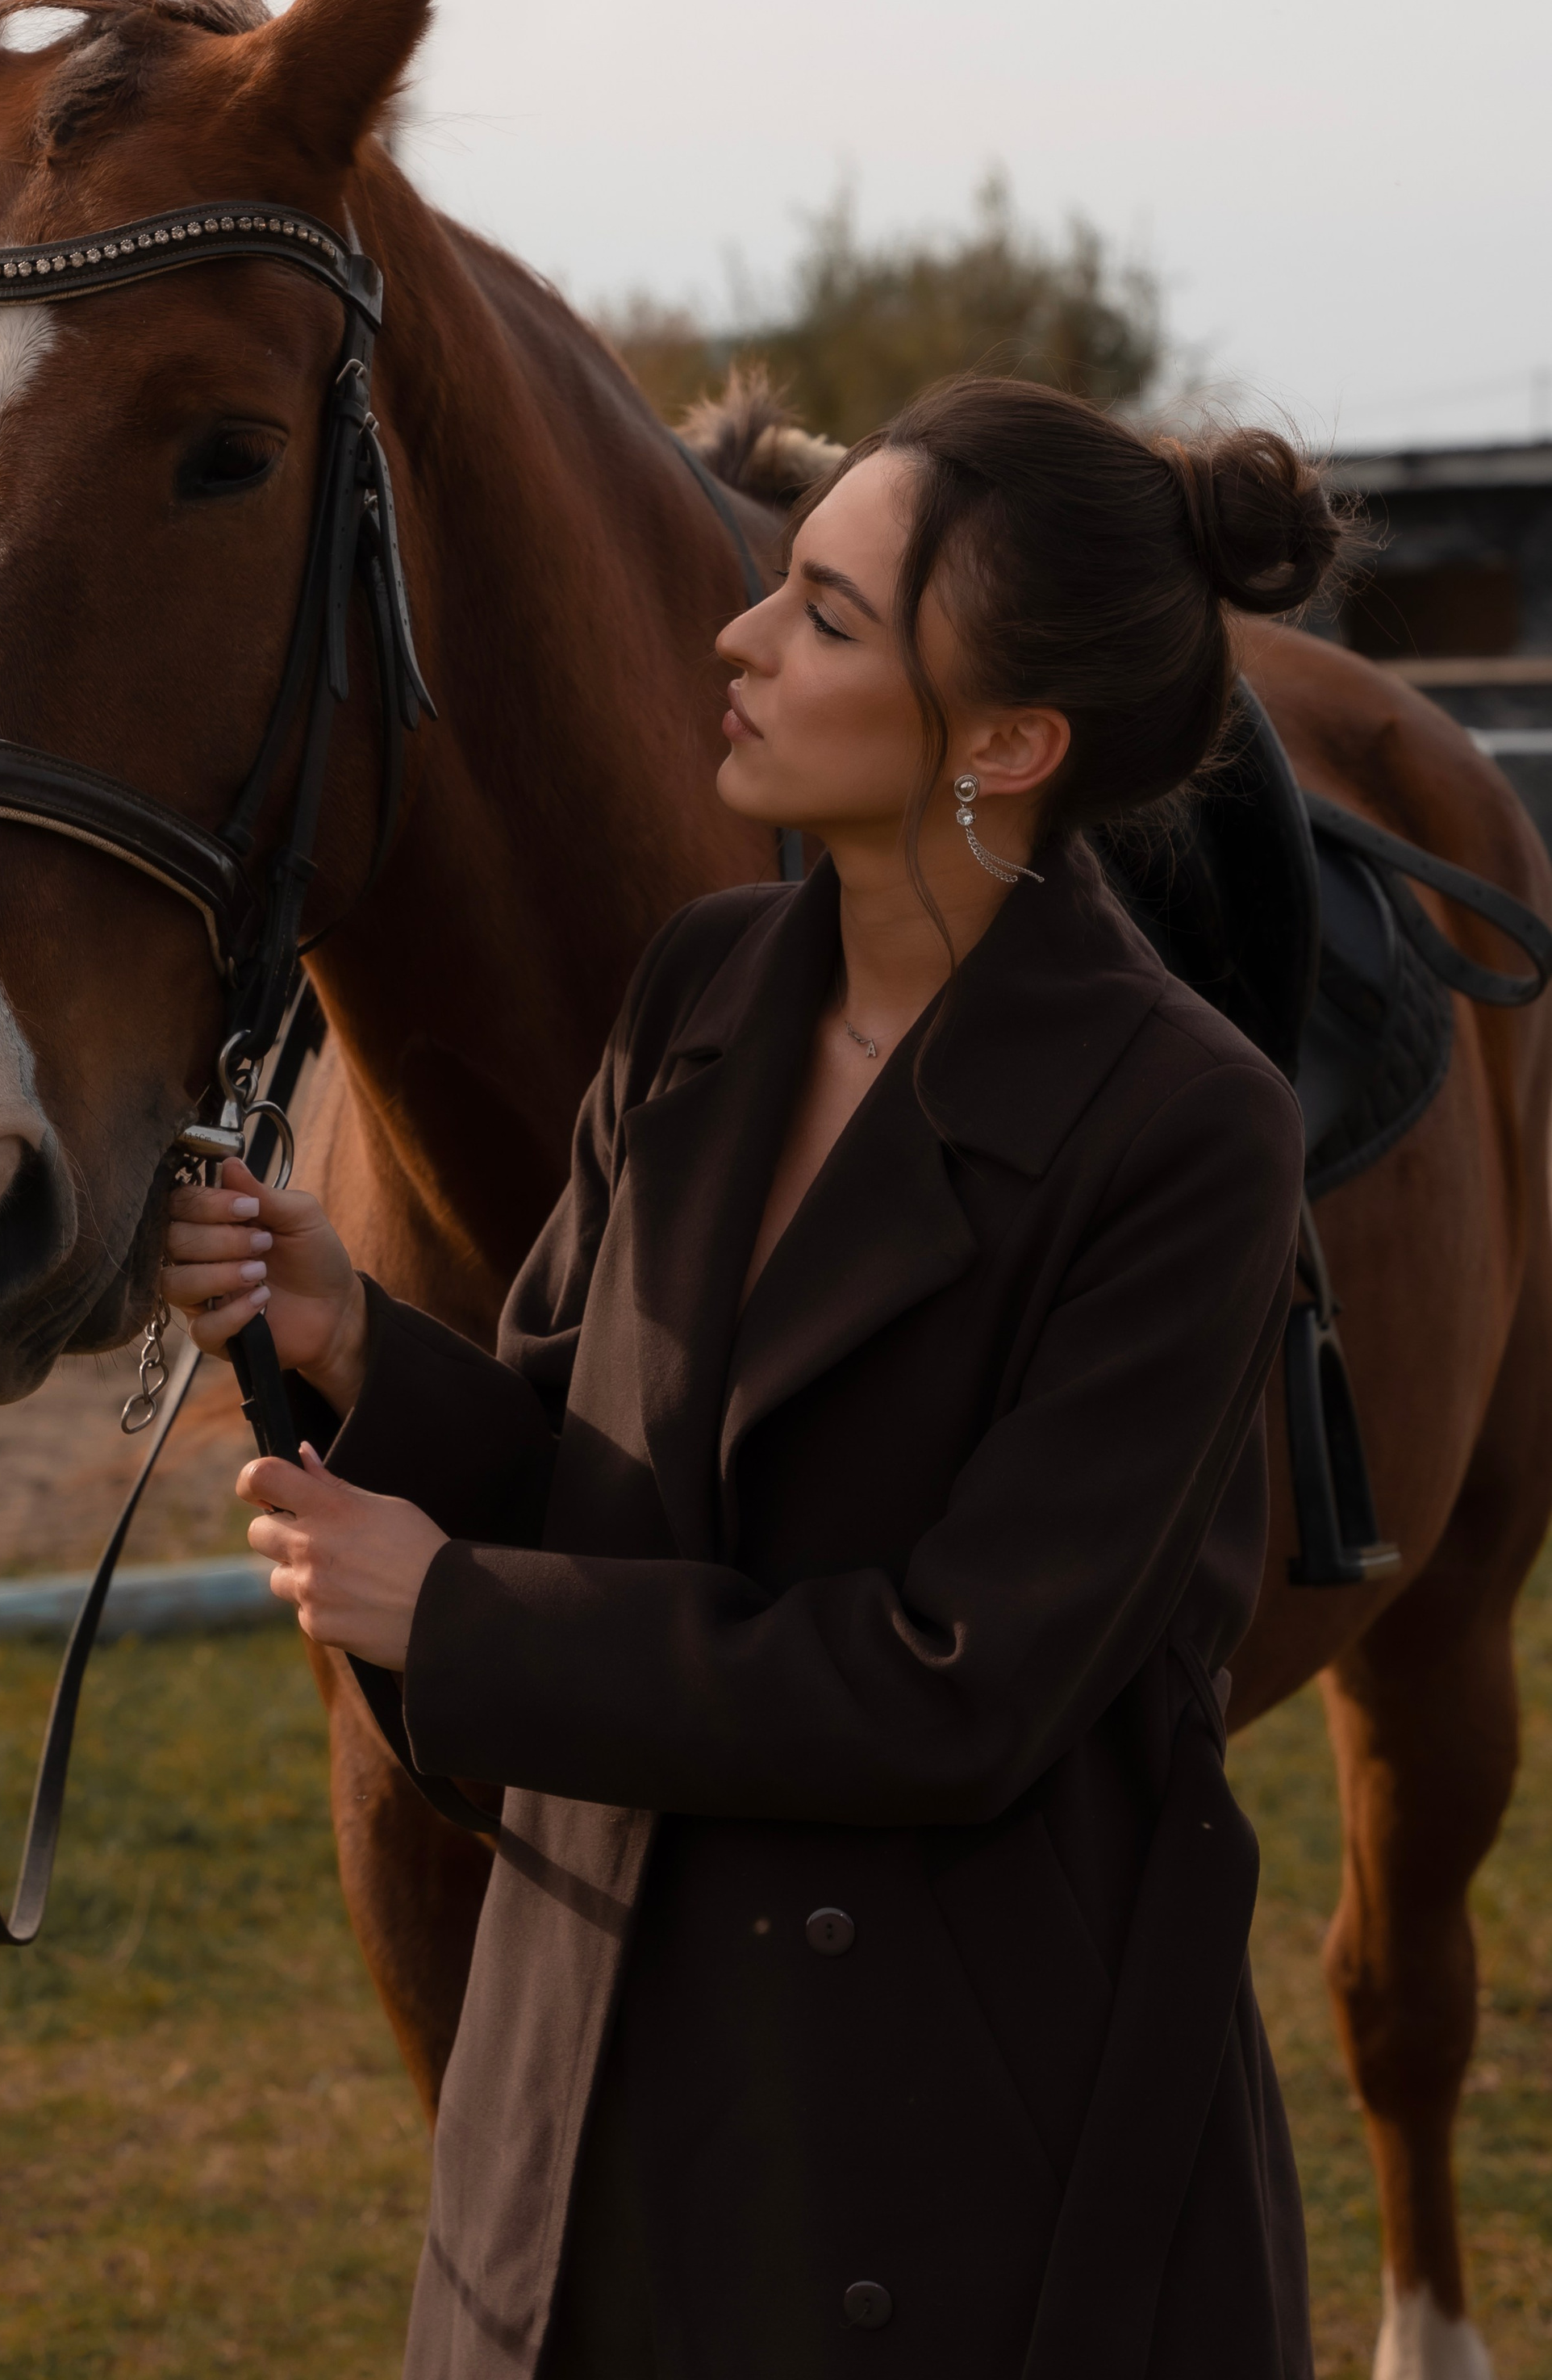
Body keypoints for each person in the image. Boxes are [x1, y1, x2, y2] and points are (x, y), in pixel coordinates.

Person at [163, 374, 1337, 2380]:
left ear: (1008, 741)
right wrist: (355, 1335)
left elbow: (951, 1686)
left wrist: (449, 1614)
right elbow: (585, 1470)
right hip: (586, 2084)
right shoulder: (702, 985)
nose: (737, 638)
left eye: (822, 614)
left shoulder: (1185, 1130)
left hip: (953, 2161)